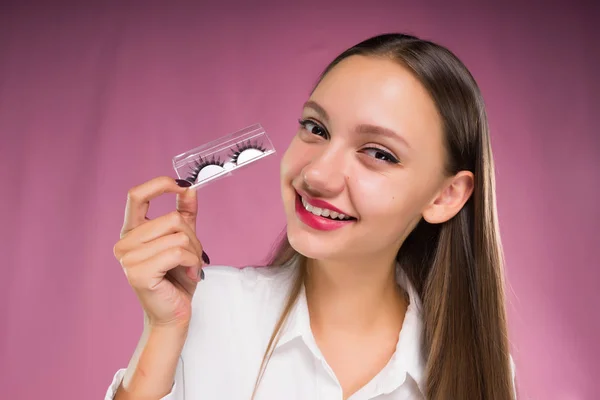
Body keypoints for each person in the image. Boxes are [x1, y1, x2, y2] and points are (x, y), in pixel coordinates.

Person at [105, 33, 516, 400]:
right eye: (316, 128)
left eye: (378, 153)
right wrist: (163, 331)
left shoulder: (473, 376)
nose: (316, 174)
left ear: (446, 196)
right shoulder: (205, 310)